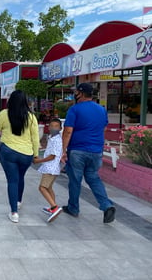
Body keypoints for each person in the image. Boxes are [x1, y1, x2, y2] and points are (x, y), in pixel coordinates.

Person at [61, 83, 115, 223]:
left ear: (81, 93)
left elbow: (68, 131)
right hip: (96, 150)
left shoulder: (75, 109)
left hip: (78, 150)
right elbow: (103, 128)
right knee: (93, 178)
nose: (75, 94)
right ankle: (106, 205)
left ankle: (73, 208)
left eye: (76, 92)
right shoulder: (101, 110)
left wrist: (63, 151)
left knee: (75, 180)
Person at [0, 90, 40, 223]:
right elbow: (35, 137)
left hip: (8, 152)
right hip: (26, 154)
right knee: (20, 177)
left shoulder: (4, 114)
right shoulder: (31, 117)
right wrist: (36, 154)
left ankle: (14, 212)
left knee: (12, 180)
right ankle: (18, 201)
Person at [34, 118, 63, 223]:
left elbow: (52, 156)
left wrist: (39, 160)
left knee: (42, 188)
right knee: (49, 187)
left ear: (60, 128)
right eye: (51, 126)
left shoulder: (57, 140)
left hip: (51, 167)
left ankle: (54, 207)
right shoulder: (52, 138)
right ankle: (53, 207)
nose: (53, 128)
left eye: (56, 126)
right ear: (48, 127)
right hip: (51, 167)